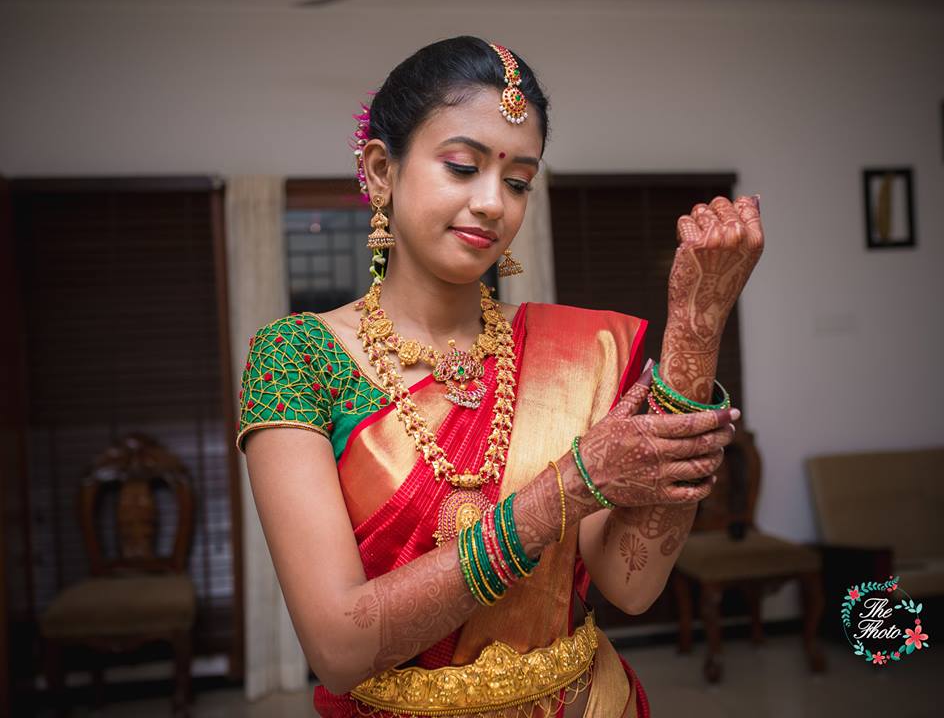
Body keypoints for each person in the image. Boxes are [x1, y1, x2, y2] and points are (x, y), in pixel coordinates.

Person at [236, 35, 763, 718]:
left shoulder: (582, 353)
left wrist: (697, 327)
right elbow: (338, 647)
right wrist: (566, 491)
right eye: (463, 166)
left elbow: (632, 584)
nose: (493, 203)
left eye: (517, 181)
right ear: (381, 171)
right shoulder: (297, 357)